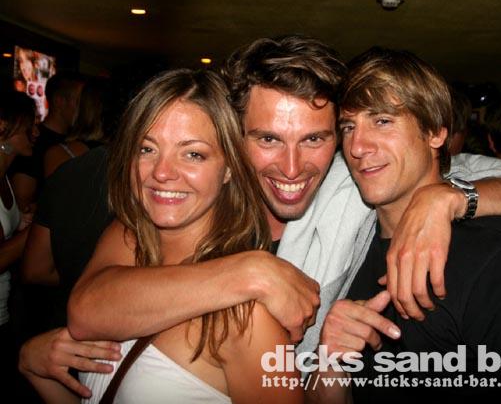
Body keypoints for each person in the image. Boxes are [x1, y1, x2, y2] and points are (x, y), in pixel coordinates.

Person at [25, 36, 501, 397]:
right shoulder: (189, 205)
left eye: (316, 138)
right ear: (233, 138)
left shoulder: (356, 177)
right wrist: (252, 271)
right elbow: (91, 306)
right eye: (268, 139)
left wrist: (447, 199)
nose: (294, 168)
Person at [22, 68, 304, 403]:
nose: (162, 172)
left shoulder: (248, 318)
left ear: (229, 167)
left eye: (193, 154)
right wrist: (36, 369)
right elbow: (84, 314)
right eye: (146, 149)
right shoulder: (130, 237)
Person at [315, 47, 501, 403]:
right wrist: (329, 363)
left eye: (382, 121)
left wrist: (447, 198)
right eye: (348, 126)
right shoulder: (345, 253)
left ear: (435, 133)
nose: (357, 146)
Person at [0, 90, 38, 390]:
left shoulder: (6, 178)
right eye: (29, 125)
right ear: (4, 128)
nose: (36, 132)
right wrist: (40, 227)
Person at [9, 72, 84, 210]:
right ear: (59, 101)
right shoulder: (32, 142)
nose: (83, 109)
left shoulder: (76, 141)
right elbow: (22, 198)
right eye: (79, 102)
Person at [43, 78, 111, 177]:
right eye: (77, 101)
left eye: (80, 101)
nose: (77, 107)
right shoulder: (41, 142)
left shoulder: (59, 154)